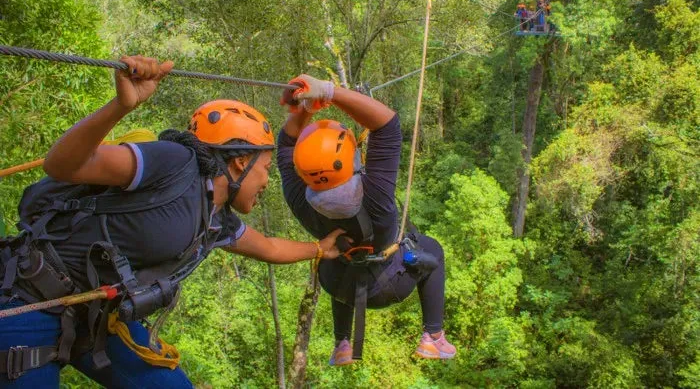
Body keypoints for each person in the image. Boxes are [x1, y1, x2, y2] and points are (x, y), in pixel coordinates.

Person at [0, 56, 343, 387]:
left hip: (97, 319)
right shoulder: (175, 164)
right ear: (240, 161)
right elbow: (64, 165)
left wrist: (318, 248)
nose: (267, 182)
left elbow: (268, 247)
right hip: (29, 300)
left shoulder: (216, 220)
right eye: (266, 169)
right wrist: (122, 106)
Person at [277, 74, 456, 366]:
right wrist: (328, 92)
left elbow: (285, 144)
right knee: (432, 248)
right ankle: (433, 337)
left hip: (341, 287)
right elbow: (387, 124)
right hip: (391, 285)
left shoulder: (299, 196)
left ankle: (342, 343)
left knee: (333, 253)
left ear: (300, 166)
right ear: (351, 158)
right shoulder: (374, 193)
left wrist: (307, 108)